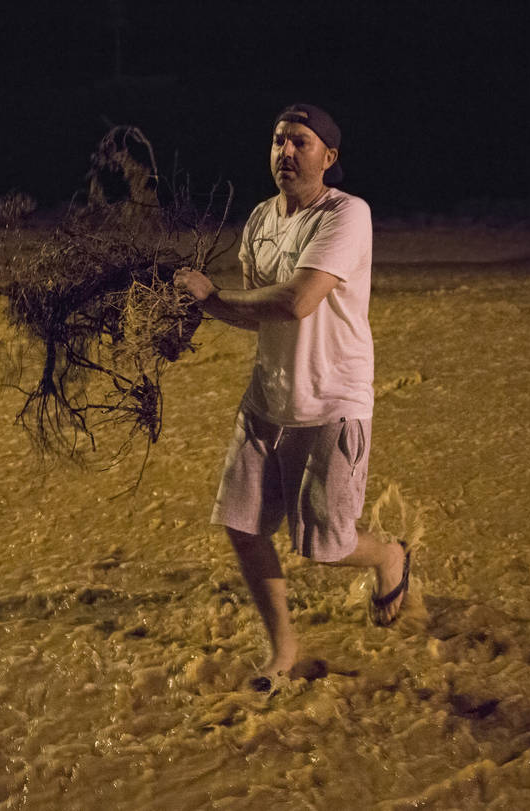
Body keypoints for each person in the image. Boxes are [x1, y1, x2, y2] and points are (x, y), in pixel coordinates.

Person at [174, 103, 410, 690]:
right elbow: (260, 318)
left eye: (301, 142)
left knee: (324, 549)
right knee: (243, 525)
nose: (286, 151)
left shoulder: (347, 214)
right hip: (267, 402)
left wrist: (212, 295)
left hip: (332, 402)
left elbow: (298, 300)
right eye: (279, 140)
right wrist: (191, 315)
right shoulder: (258, 219)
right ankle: (282, 649)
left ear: (328, 157)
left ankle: (387, 557)